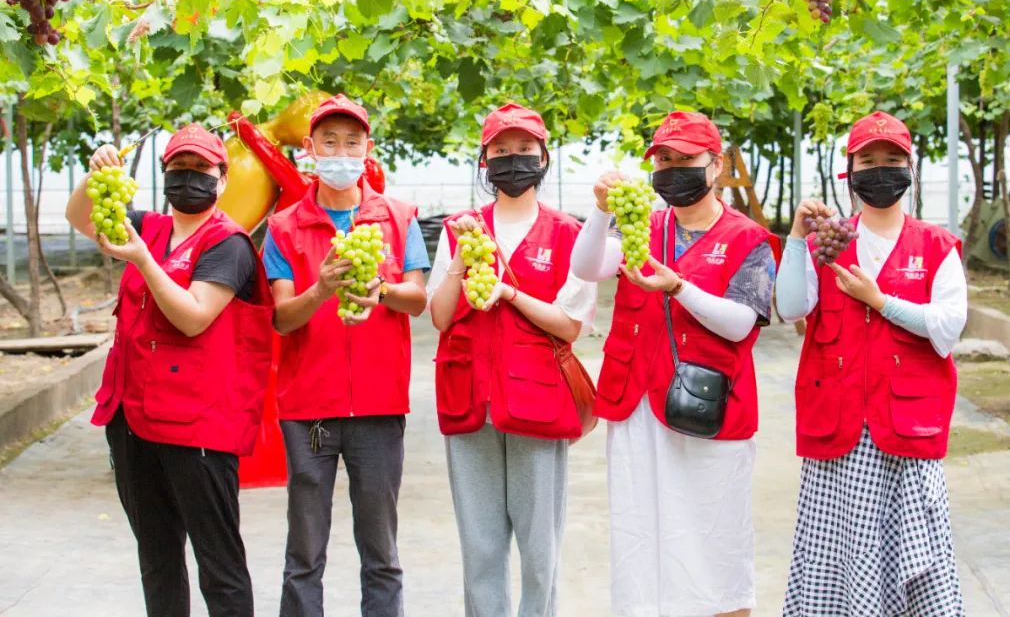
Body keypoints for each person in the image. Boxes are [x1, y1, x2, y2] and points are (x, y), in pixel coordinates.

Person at [570, 111, 777, 617]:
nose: (672, 168)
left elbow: (740, 323)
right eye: (664, 159)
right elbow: (587, 267)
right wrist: (600, 213)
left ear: (717, 164)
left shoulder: (749, 238)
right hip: (637, 400)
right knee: (640, 531)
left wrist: (680, 288)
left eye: (686, 159)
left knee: (713, 534)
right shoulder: (644, 223)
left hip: (709, 405)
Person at [65, 125, 274, 617]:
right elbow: (79, 216)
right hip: (133, 416)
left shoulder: (229, 244)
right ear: (164, 176)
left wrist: (142, 258)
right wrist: (94, 174)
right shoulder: (148, 226)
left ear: (222, 180)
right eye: (178, 169)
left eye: (200, 170)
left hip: (198, 425)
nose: (189, 179)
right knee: (156, 554)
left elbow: (193, 315)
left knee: (217, 560)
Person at [776, 111, 967, 616]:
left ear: (911, 168)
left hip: (906, 431)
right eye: (868, 160)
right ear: (850, 172)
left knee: (918, 560)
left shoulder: (937, 246)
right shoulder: (829, 241)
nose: (880, 170)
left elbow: (948, 326)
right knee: (836, 559)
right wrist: (797, 239)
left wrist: (881, 302)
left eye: (892, 160)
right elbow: (792, 307)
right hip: (838, 431)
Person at [261, 94, 429, 617]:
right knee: (305, 549)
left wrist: (379, 288)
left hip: (379, 408)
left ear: (367, 148)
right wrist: (321, 289)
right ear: (309, 149)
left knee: (380, 550)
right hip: (309, 408)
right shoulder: (284, 227)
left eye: (351, 142)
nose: (340, 151)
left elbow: (418, 298)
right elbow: (283, 318)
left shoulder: (398, 218)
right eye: (329, 142)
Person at [428, 103, 597, 617]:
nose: (513, 161)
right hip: (470, 398)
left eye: (524, 150)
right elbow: (439, 315)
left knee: (539, 548)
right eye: (501, 151)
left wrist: (508, 293)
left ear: (544, 157)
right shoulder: (462, 228)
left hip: (537, 400)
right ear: (485, 162)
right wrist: (460, 258)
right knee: (479, 547)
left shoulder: (569, 233)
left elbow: (571, 324)